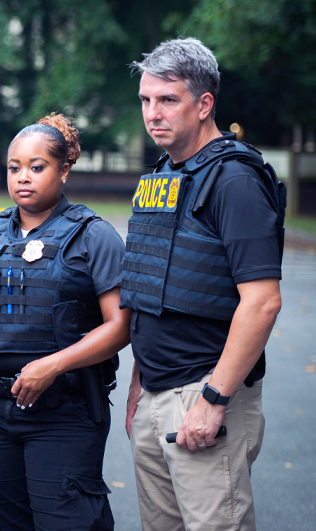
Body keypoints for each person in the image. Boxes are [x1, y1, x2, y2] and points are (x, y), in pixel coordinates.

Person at [0, 114, 129, 530]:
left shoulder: (93, 236)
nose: (23, 177)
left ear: (63, 170)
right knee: (6, 521)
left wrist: (54, 364)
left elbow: (120, 326)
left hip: (63, 412)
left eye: (37, 167)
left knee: (68, 520)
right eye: (14, 167)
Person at [123, 38, 284, 531]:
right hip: (156, 394)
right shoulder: (164, 176)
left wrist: (213, 401)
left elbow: (262, 303)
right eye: (147, 100)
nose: (154, 113)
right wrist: (138, 384)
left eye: (168, 100)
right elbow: (151, 292)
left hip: (204, 395)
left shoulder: (234, 180)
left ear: (204, 104)